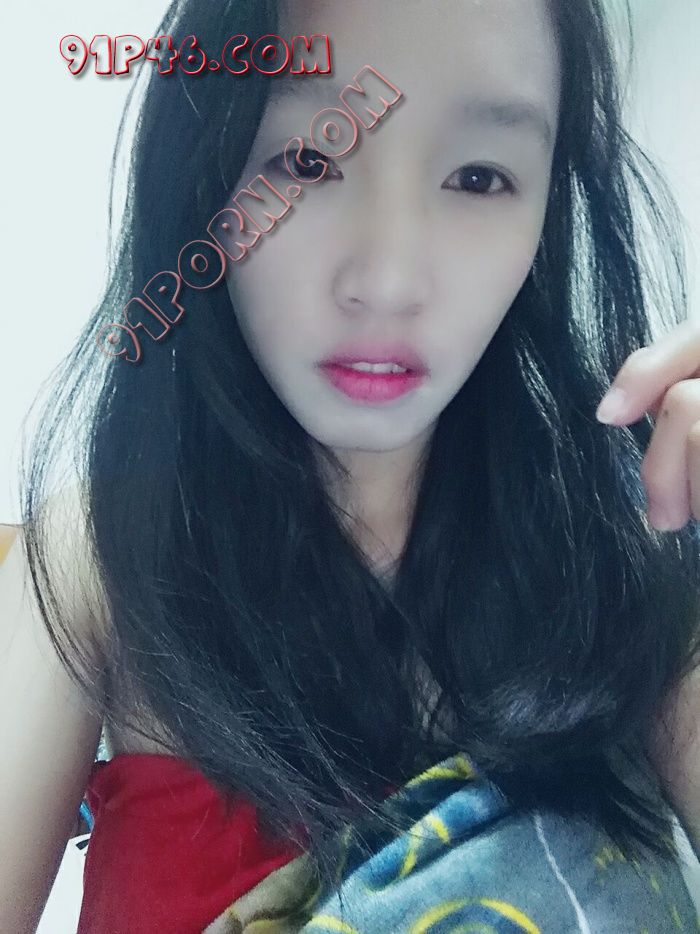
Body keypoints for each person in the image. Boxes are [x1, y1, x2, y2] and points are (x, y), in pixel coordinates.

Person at [2, 0, 700, 930]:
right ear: (204, 179)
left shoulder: (629, 543)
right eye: (307, 161)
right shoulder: (99, 555)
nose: (390, 280)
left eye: (480, 176)